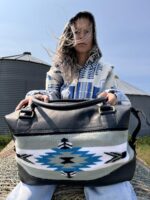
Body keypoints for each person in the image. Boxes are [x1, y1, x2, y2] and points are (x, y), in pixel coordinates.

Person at [7, 11, 137, 200]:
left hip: (94, 136)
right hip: (59, 134)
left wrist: (112, 95)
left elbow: (119, 97)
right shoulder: (59, 68)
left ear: (94, 35)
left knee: (111, 190)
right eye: (77, 32)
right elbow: (50, 94)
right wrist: (37, 97)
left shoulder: (105, 70)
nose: (82, 36)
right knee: (32, 190)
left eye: (87, 31)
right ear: (70, 35)